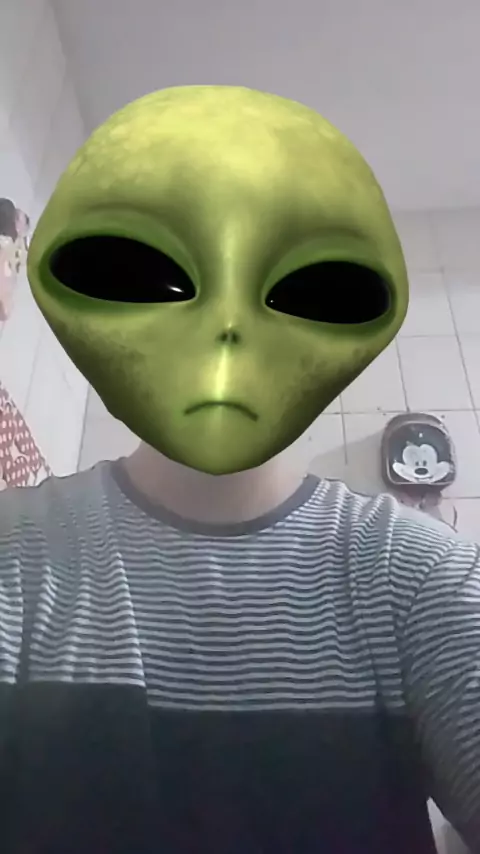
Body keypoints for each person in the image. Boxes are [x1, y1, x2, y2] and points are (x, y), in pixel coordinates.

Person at [0, 86, 478, 854]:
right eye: (144, 270)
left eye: (307, 286)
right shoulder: (13, 553)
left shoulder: (423, 578)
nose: (227, 328)